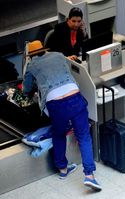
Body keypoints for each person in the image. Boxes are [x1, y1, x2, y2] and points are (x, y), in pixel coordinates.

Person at [22, 40, 101, 191]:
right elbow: (68, 72)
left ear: (30, 56)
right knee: (83, 136)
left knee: (58, 135)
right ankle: (89, 176)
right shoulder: (58, 55)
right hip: (74, 98)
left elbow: (26, 88)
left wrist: (31, 90)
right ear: (44, 49)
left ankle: (63, 170)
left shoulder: (31, 65)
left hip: (55, 104)